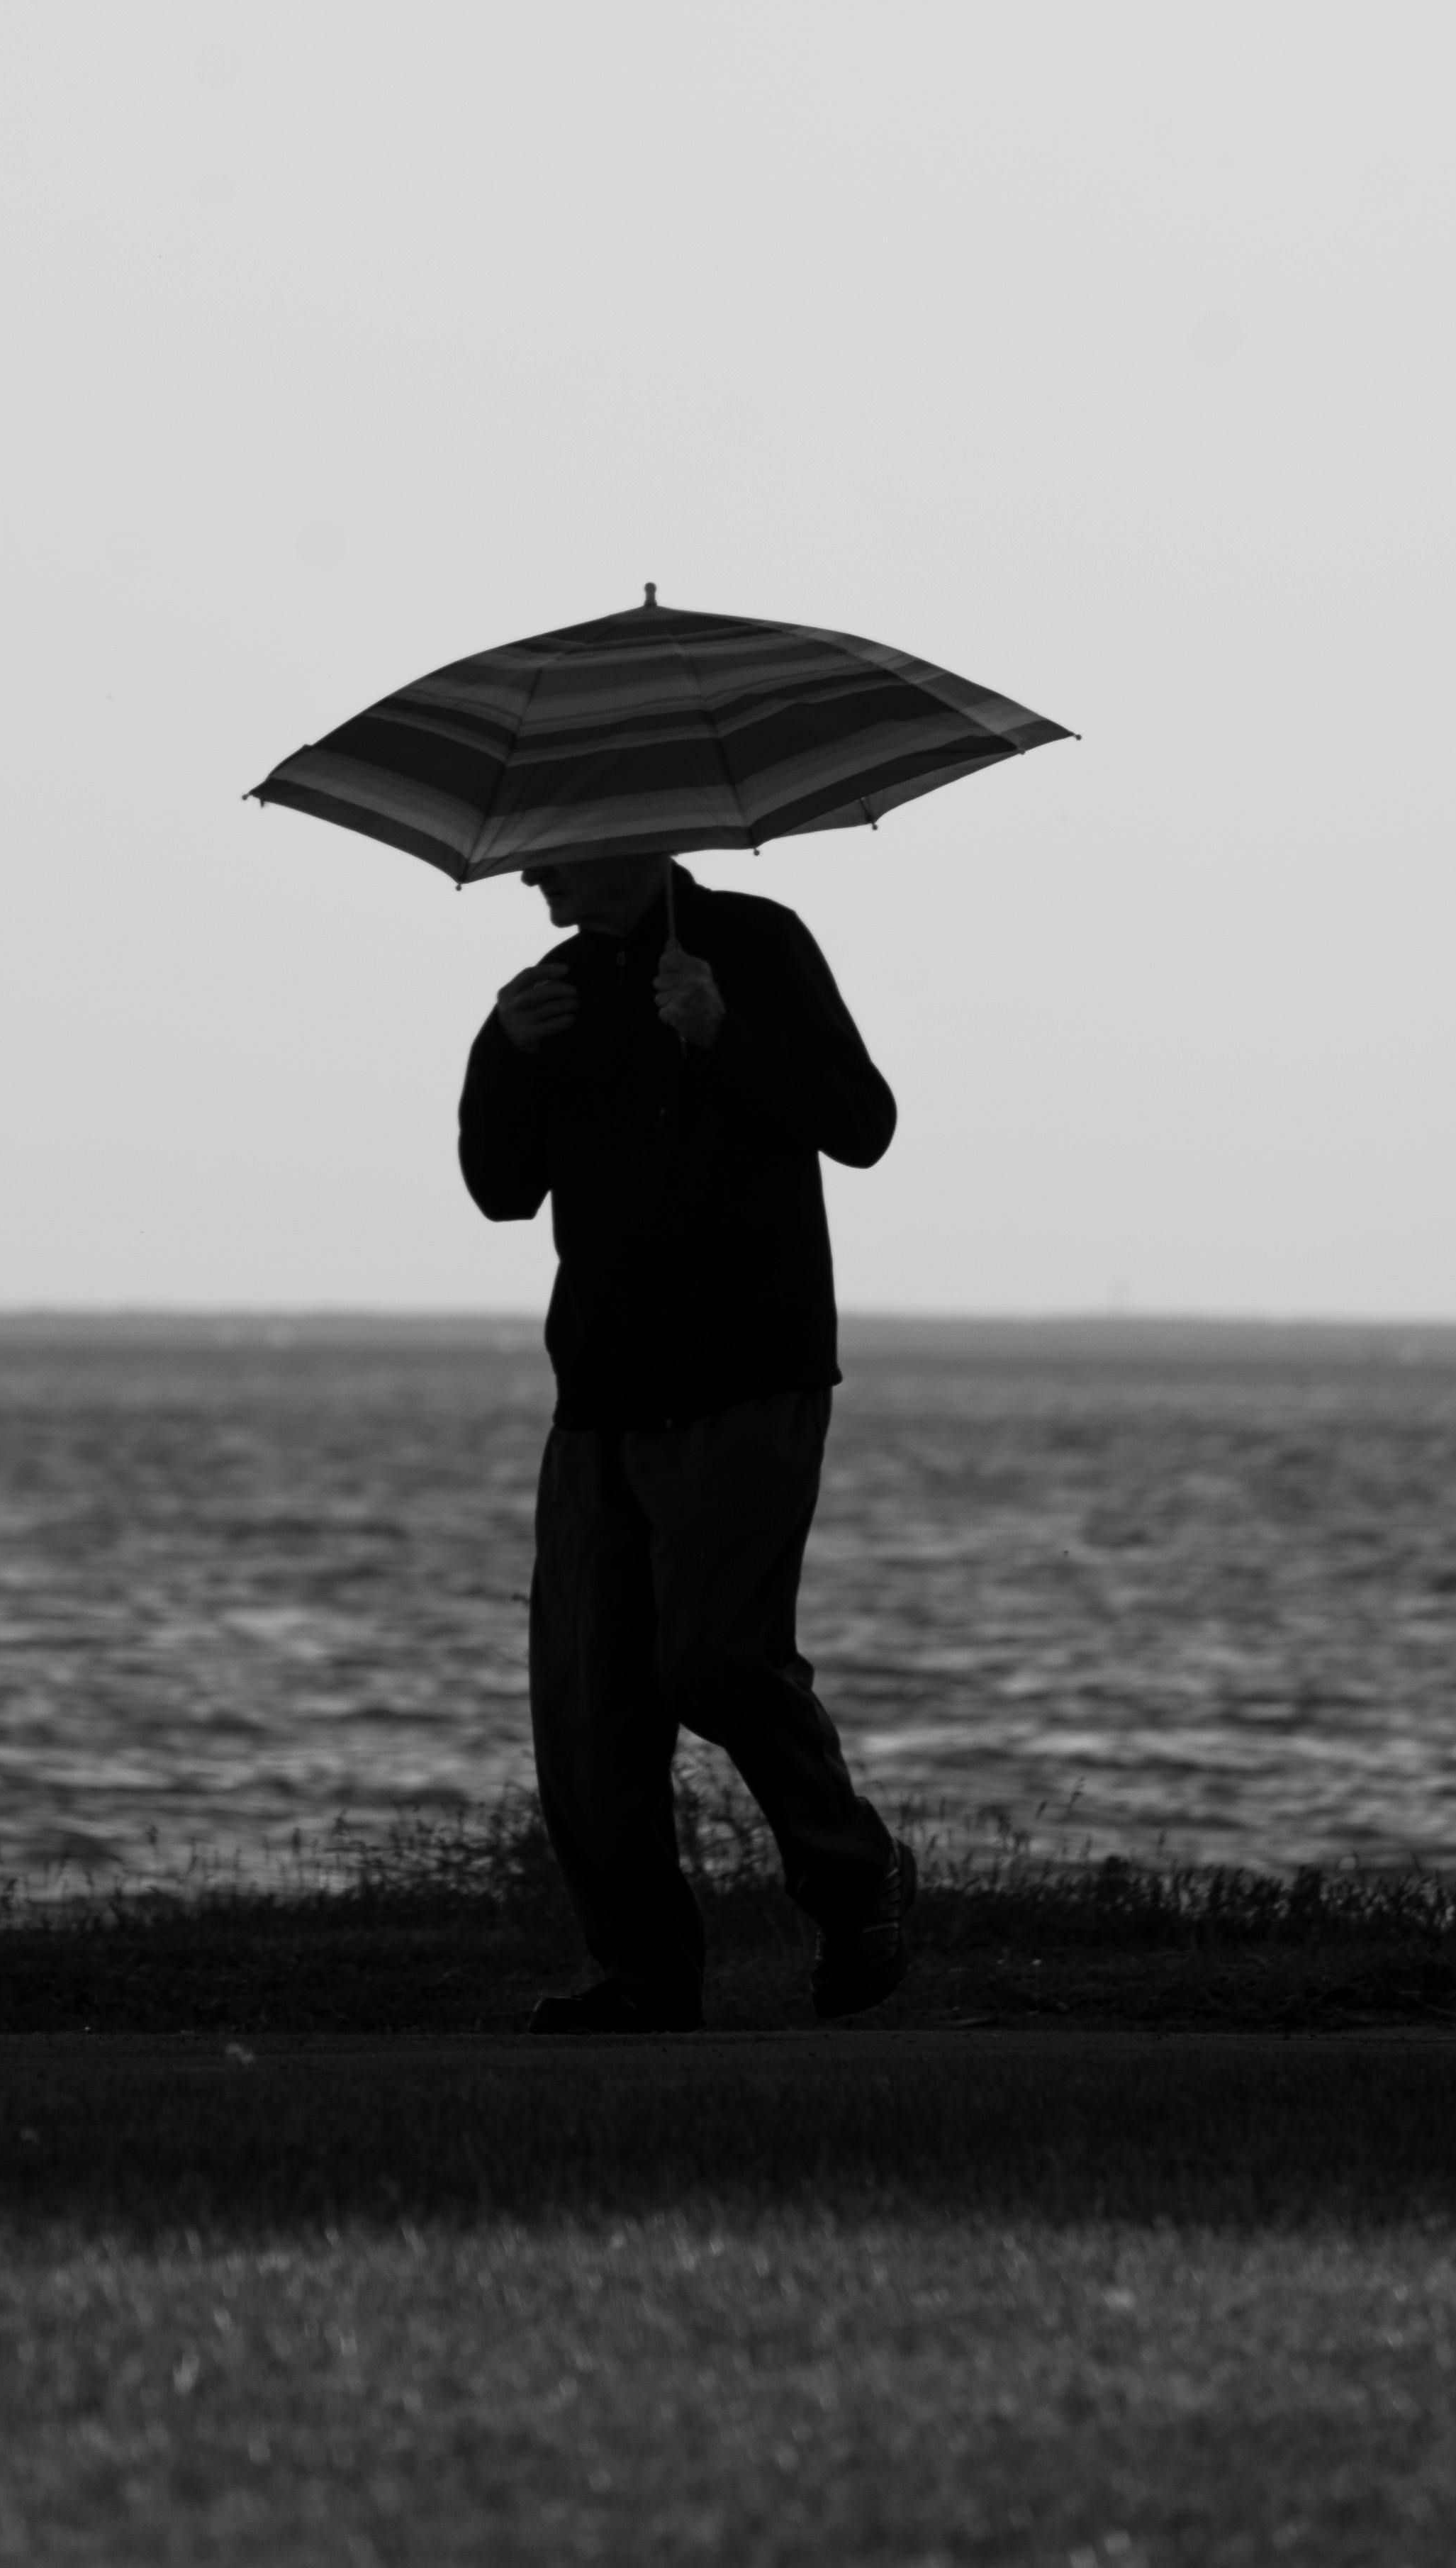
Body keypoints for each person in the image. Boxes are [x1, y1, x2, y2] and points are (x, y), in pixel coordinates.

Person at [459, 844, 914, 2034]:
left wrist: (723, 1035)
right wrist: (500, 1056)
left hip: (750, 1378)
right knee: (589, 1707)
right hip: (600, 1395)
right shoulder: (548, 993)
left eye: (546, 853)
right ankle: (646, 1981)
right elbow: (501, 1191)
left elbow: (862, 1125)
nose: (526, 879)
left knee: (715, 1656)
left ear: (621, 838)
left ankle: (854, 1874)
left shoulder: (755, 944)